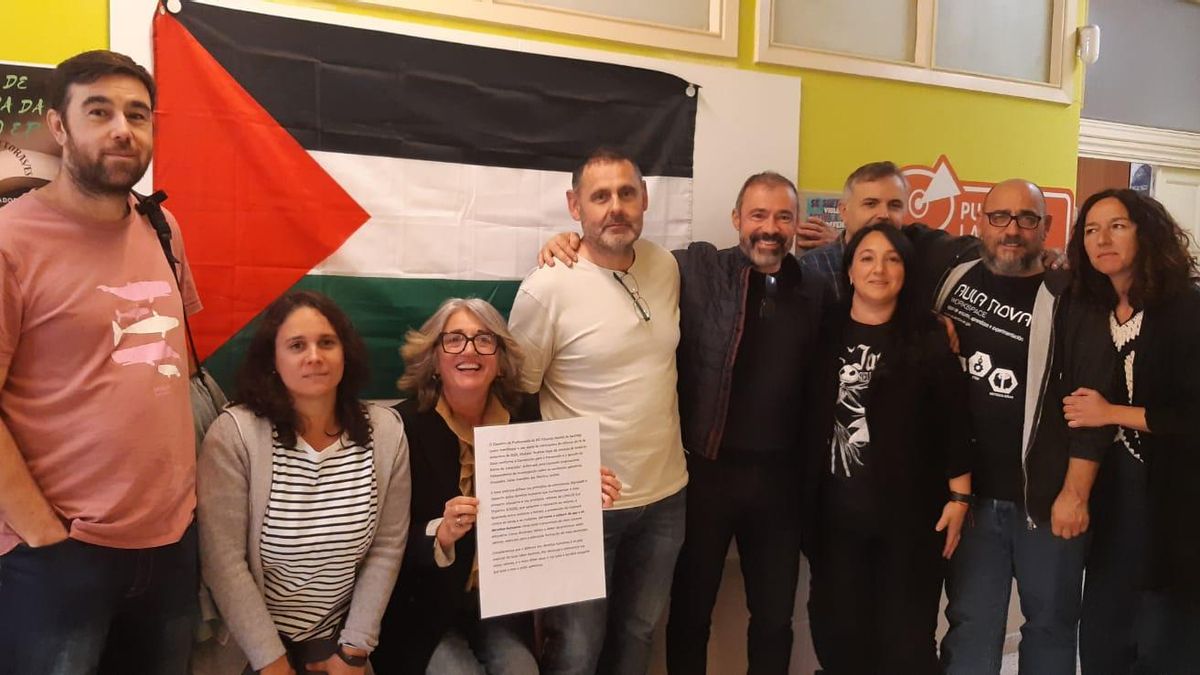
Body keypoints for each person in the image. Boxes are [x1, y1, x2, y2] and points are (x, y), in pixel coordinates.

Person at [0, 50, 202, 675]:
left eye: (138, 114)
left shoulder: (163, 227)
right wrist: (44, 535)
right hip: (60, 554)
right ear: (60, 127)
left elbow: (178, 368)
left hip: (171, 543)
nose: (123, 129)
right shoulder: (11, 242)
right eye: (100, 111)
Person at [508, 148, 689, 675]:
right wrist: (557, 480)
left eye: (627, 193)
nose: (616, 207)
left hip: (665, 497)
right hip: (582, 506)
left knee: (638, 636)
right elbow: (516, 397)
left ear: (645, 199)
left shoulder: (666, 266)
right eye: (600, 196)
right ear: (574, 206)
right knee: (576, 651)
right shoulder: (547, 287)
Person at [374, 297, 621, 674]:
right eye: (454, 339)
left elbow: (540, 515)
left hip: (499, 609)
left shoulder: (526, 417)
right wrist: (439, 534)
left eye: (483, 339)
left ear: (500, 359)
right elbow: (379, 541)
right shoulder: (402, 427)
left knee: (523, 671)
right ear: (434, 358)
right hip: (422, 610)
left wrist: (577, 495)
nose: (469, 350)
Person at [936, 179, 1115, 674]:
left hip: (1047, 500)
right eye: (1000, 217)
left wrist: (1076, 494)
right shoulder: (954, 280)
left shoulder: (1074, 298)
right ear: (979, 222)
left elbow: (1091, 406)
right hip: (969, 499)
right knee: (970, 623)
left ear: (1046, 227)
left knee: (1052, 625)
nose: (1012, 230)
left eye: (1027, 219)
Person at [195, 291, 411, 675]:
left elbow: (387, 548)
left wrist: (354, 652)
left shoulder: (386, 432)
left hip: (339, 646)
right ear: (273, 361)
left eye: (327, 342)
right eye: (297, 345)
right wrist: (273, 663)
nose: (315, 356)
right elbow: (224, 563)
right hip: (248, 651)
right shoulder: (234, 435)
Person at [664, 172, 824, 674]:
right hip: (706, 475)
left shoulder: (817, 289)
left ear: (796, 224)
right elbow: (622, 257)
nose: (770, 227)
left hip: (781, 485)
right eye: (758, 214)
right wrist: (570, 240)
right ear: (737, 219)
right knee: (690, 613)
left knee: (775, 618)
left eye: (782, 216)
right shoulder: (698, 268)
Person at [803, 223, 972, 674]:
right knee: (838, 637)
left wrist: (959, 496)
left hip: (910, 521)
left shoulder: (928, 335)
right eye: (867, 258)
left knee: (907, 644)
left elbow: (955, 419)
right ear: (850, 271)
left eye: (892, 258)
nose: (879, 268)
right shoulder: (824, 327)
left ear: (906, 271)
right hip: (833, 520)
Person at [1063, 189, 1200, 674]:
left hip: (1173, 495)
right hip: (1110, 490)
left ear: (1146, 230)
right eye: (1091, 230)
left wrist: (1111, 413)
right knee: (1104, 631)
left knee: (1166, 634)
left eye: (1117, 225)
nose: (1102, 239)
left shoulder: (1186, 307)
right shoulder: (1086, 307)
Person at [798, 161, 911, 303]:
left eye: (895, 205)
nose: (884, 214)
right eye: (871, 204)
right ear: (844, 211)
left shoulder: (915, 264)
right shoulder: (813, 267)